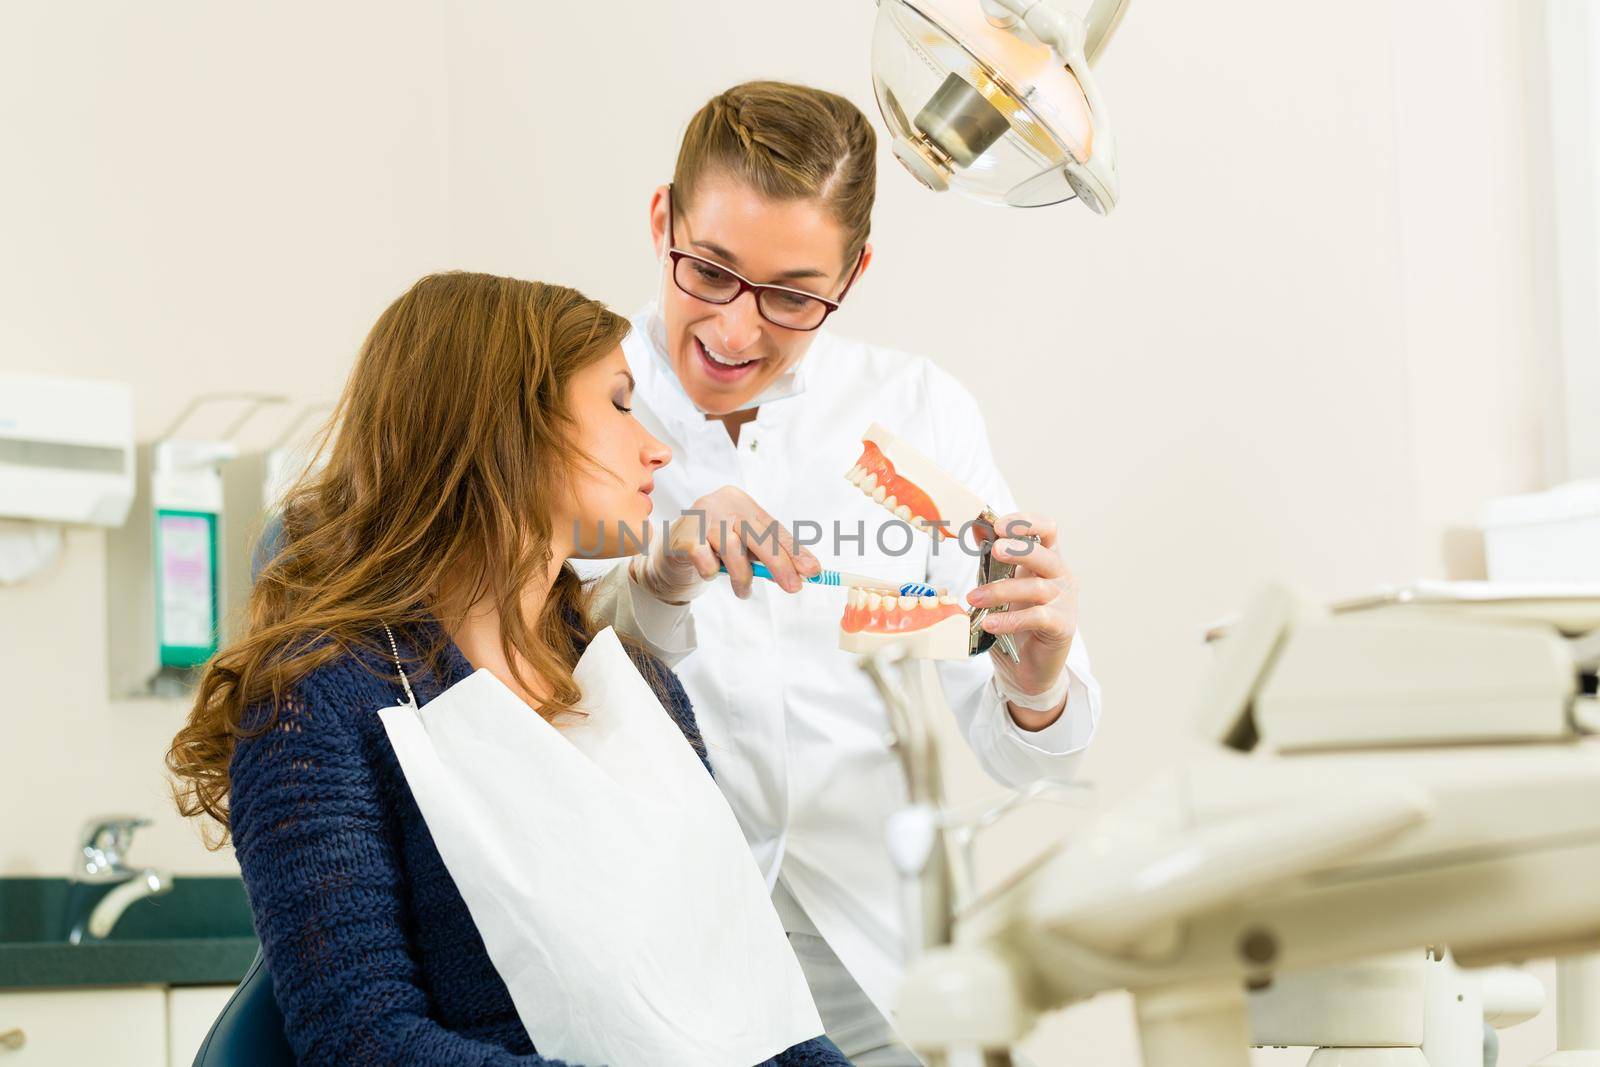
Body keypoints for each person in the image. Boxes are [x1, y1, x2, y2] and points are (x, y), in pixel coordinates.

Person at [166, 272, 849, 1066]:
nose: (656, 446)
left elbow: (755, 1013)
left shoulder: (633, 682)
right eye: (621, 403)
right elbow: (362, 1041)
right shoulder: (320, 698)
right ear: (508, 427)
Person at [581, 81, 1104, 1065]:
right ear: (663, 222)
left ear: (852, 275)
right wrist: (656, 571)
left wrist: (1035, 685)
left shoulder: (915, 410)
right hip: (641, 949)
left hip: (864, 946)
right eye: (709, 272)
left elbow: (1032, 753)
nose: (737, 333)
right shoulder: (569, 400)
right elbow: (491, 669)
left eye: (790, 295)